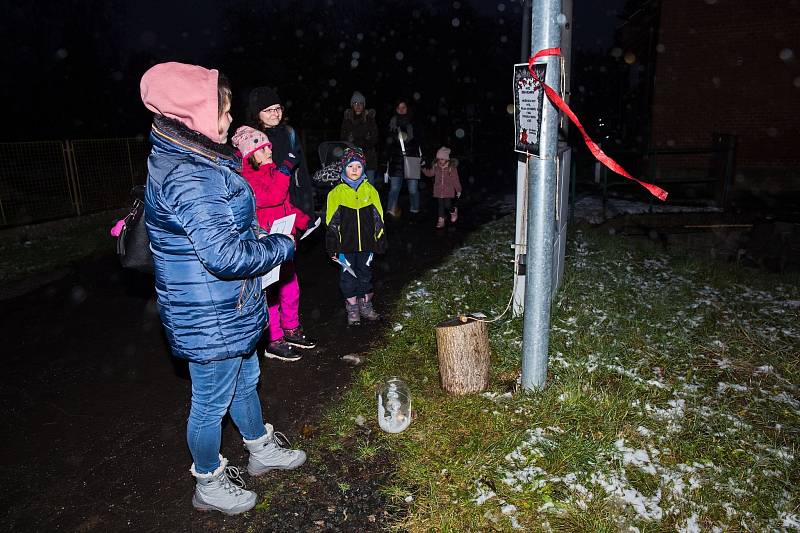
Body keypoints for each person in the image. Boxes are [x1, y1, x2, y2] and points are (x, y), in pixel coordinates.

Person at [140, 62, 306, 516]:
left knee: (247, 380)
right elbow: (224, 256)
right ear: (191, 112)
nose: (229, 120)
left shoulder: (197, 155)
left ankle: (260, 447)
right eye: (222, 110)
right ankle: (208, 480)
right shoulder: (189, 172)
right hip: (208, 311)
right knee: (210, 402)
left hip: (227, 303)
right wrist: (279, 243)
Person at [231, 125, 317, 363]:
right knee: (270, 294)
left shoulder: (271, 172)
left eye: (269, 146)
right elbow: (273, 197)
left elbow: (285, 205)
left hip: (285, 245)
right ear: (250, 155)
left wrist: (304, 220)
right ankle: (274, 339)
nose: (269, 151)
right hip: (267, 246)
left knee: (291, 289)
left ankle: (291, 328)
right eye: (262, 148)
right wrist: (286, 169)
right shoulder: (247, 179)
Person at [325, 148, 387, 326]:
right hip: (346, 246)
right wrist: (332, 246)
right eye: (350, 166)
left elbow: (379, 218)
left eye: (358, 166)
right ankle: (352, 307)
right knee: (348, 277)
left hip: (367, 244)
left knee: (365, 275)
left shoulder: (371, 191)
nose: (354, 169)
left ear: (363, 168)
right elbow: (331, 224)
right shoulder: (336, 193)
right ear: (344, 168)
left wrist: (380, 239)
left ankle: (365, 304)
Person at [247, 87, 316, 221]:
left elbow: (302, 172)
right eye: (268, 110)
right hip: (267, 207)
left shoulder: (290, 134)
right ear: (257, 113)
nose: (275, 113)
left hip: (292, 202)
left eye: (278, 108)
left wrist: (308, 210)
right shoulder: (251, 139)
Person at [385, 98, 423, 218]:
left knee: (413, 189)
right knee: (394, 188)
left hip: (412, 159)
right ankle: (390, 210)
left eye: (404, 107)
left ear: (407, 108)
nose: (401, 110)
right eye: (399, 108)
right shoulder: (392, 124)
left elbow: (420, 141)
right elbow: (388, 144)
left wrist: (423, 156)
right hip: (396, 160)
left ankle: (415, 210)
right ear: (396, 109)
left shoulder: (414, 123)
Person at [340, 91, 379, 185]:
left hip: (369, 158)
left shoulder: (370, 119)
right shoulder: (347, 120)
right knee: (354, 186)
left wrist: (368, 140)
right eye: (355, 103)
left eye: (361, 103)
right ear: (352, 105)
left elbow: (375, 138)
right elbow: (342, 138)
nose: (358, 106)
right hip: (352, 159)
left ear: (364, 105)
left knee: (370, 185)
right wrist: (349, 141)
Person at [422, 146, 462, 228]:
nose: (440, 161)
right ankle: (441, 220)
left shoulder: (451, 168)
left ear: (447, 159)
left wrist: (458, 190)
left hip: (448, 190)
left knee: (447, 205)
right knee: (440, 205)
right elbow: (429, 173)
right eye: (439, 159)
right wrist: (423, 167)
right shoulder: (436, 167)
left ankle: (453, 211)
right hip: (438, 190)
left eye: (442, 159)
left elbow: (456, 180)